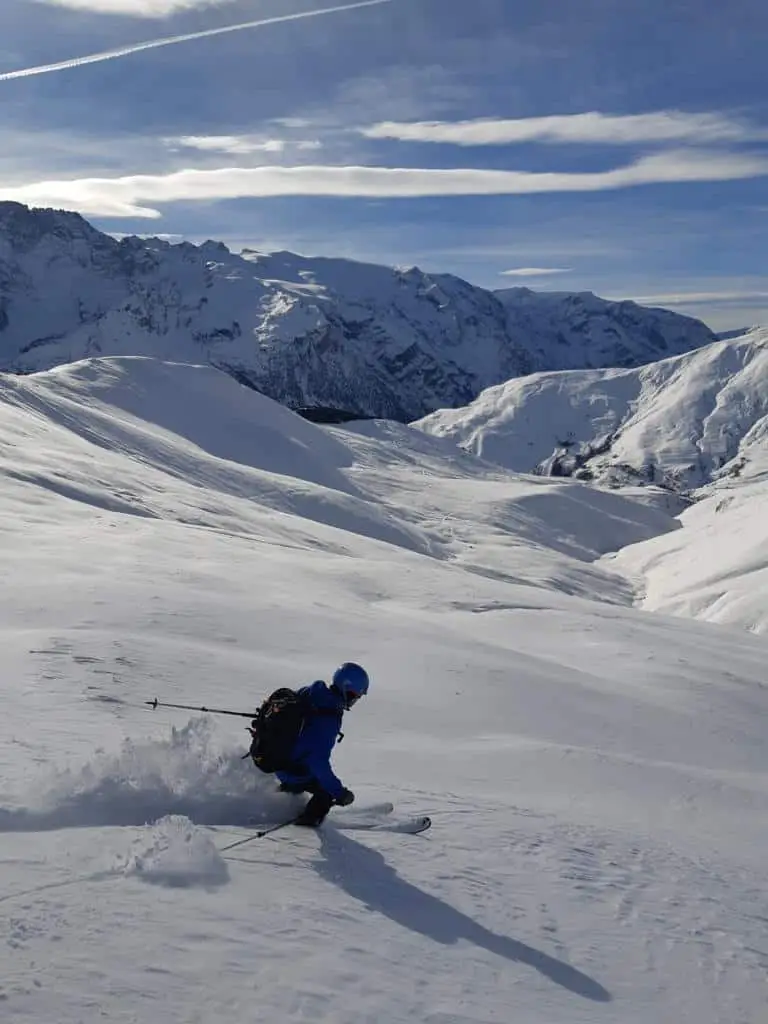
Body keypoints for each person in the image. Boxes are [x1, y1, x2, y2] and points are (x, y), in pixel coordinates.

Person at [276, 662, 370, 827]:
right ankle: (305, 827)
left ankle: (284, 796)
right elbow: (318, 763)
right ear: (346, 689)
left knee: (307, 778)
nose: (355, 700)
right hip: (290, 767)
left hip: (277, 756)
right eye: (356, 695)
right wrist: (339, 793)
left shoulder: (312, 692)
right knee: (325, 792)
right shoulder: (328, 718)